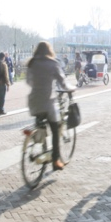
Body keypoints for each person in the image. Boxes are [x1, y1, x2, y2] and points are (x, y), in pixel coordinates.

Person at [26, 41, 74, 171]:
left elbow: (28, 81)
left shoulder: (31, 63)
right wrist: (71, 89)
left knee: (40, 124)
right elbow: (63, 82)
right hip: (48, 103)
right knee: (55, 130)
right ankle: (55, 160)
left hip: (33, 102)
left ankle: (37, 144)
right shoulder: (53, 64)